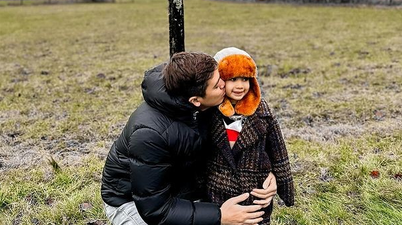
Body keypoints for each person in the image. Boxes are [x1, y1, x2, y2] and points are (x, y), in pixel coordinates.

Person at [101, 51, 276, 225]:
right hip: (133, 203)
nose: (225, 84)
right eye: (217, 85)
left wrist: (266, 172)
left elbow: (240, 142)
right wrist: (220, 216)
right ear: (195, 101)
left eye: (221, 77)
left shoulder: (205, 94)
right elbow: (156, 210)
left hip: (183, 189)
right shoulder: (150, 135)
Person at [205, 47, 295, 225]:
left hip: (255, 191)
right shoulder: (210, 112)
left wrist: (284, 186)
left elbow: (278, 151)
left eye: (245, 79)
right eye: (232, 79)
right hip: (218, 191)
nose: (240, 86)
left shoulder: (261, 111)